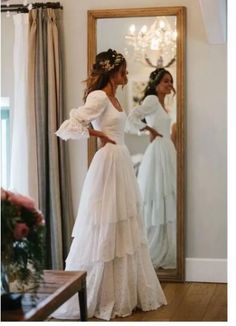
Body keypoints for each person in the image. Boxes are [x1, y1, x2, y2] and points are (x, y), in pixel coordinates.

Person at [52, 49, 167, 321]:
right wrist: (96, 132)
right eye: (123, 71)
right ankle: (99, 295)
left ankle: (127, 293)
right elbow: (70, 125)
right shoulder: (99, 96)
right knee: (104, 222)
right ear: (112, 72)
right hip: (107, 164)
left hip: (121, 161)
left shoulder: (115, 97)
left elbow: (122, 127)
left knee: (124, 225)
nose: (126, 76)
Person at [127, 68, 177, 270]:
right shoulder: (152, 100)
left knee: (168, 196)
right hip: (157, 152)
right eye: (165, 81)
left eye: (171, 81)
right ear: (156, 84)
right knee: (157, 195)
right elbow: (132, 117)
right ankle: (153, 247)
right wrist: (147, 129)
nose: (169, 84)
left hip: (167, 149)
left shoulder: (164, 104)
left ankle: (167, 244)